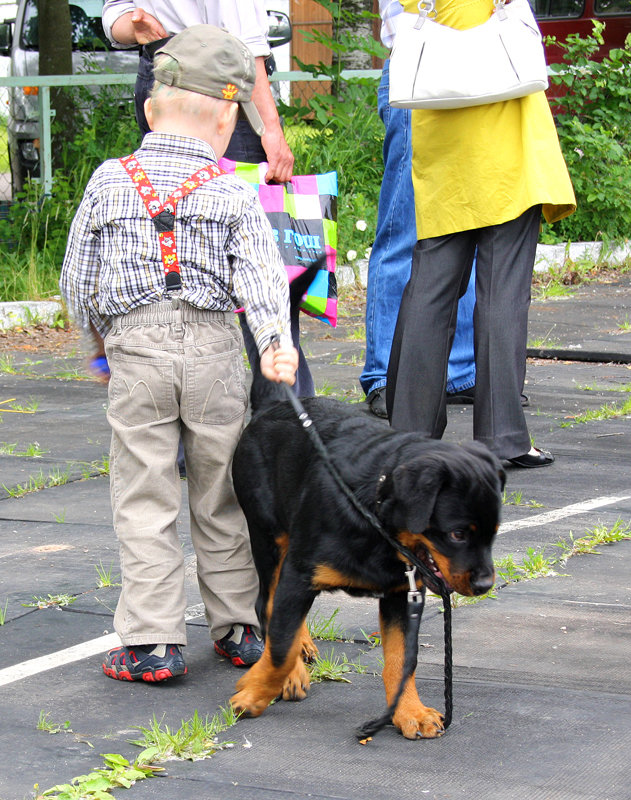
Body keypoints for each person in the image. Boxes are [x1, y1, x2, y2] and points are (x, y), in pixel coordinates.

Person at [60, 25, 299, 682]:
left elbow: (77, 278)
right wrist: (275, 343)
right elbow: (259, 275)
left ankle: (151, 643)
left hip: (136, 350)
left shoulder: (110, 180)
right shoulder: (230, 188)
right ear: (226, 118)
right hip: (217, 354)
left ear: (148, 109)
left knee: (144, 495)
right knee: (221, 491)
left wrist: (99, 343)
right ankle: (240, 629)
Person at [386, 0, 575, 468]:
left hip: (445, 140)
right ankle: (504, 437)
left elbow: (394, 37)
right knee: (503, 295)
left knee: (429, 289)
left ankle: (410, 435)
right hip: (508, 141)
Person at [102, 1, 314, 398]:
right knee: (257, 255)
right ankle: (284, 413)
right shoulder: (226, 111)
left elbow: (114, 17)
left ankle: (175, 421)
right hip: (223, 85)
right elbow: (248, 43)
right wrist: (270, 128)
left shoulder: (107, 180)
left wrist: (142, 29)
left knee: (175, 253)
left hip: (161, 77)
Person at [361, 0, 476, 420]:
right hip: (421, 61)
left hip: (477, 65)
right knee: (404, 227)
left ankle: (458, 369)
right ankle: (387, 375)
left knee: (468, 222)